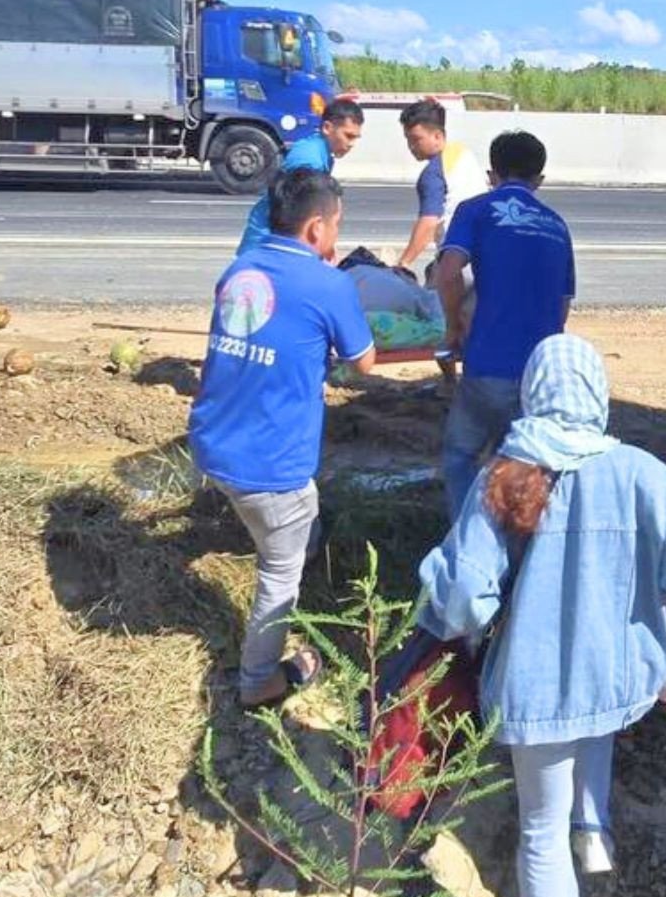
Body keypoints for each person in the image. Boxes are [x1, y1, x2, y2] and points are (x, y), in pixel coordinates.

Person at [415, 335, 666, 897]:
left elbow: (465, 596)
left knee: (537, 829)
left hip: (536, 690)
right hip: (615, 677)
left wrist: (434, 601)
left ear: (533, 392)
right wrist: (654, 580)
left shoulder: (506, 473)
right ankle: (596, 833)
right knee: (592, 726)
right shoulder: (641, 471)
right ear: (597, 394)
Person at [190, 169, 376, 708]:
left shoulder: (240, 268)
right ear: (317, 227)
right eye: (337, 225)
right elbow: (362, 361)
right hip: (270, 465)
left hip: (213, 440)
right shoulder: (328, 282)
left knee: (292, 528)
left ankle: (299, 542)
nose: (337, 235)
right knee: (279, 572)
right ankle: (259, 682)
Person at [434, 129, 575, 517]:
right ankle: (521, 547)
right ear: (539, 180)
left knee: (461, 453)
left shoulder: (476, 210)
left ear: (491, 173)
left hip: (490, 363)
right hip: (540, 374)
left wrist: (453, 326)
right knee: (522, 469)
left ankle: (467, 537)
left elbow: (447, 275)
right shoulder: (557, 224)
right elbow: (563, 307)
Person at [237, 98, 365, 254]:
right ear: (327, 127)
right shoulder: (308, 160)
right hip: (268, 244)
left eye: (355, 138)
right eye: (348, 136)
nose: (351, 144)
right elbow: (300, 211)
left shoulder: (319, 151)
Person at [396, 97, 486, 270]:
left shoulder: (433, 173)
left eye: (416, 139)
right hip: (482, 252)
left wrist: (404, 263)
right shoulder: (463, 153)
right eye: (407, 139)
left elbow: (429, 223)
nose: (411, 146)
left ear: (437, 136)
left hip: (457, 259)